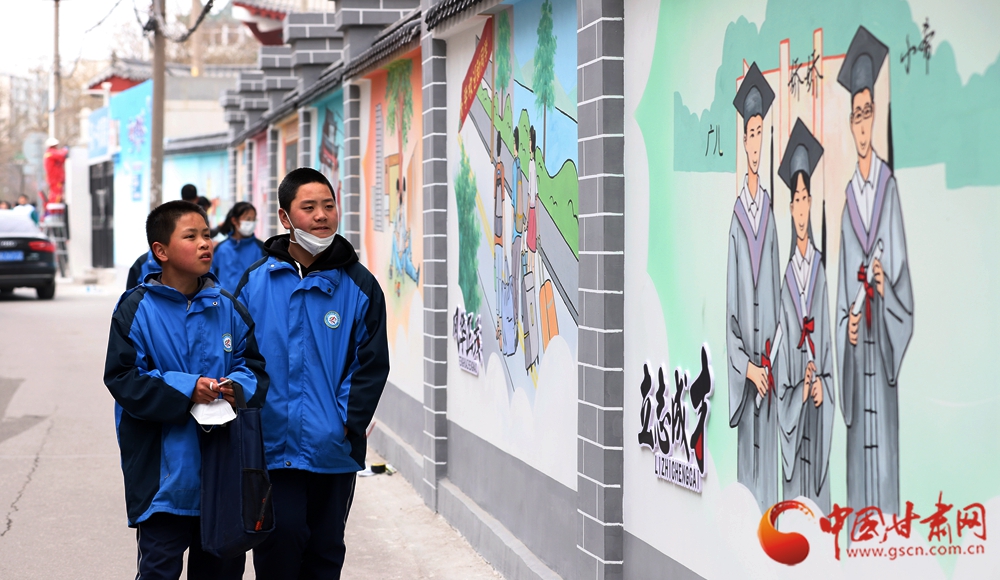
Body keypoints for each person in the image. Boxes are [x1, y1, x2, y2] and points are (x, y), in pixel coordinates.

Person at [235, 168, 389, 579]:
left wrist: (345, 422)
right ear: (285, 218)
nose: (322, 215)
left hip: (331, 445)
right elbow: (238, 357)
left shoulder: (359, 285)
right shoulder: (255, 282)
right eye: (309, 207)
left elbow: (370, 362)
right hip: (271, 444)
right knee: (279, 541)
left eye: (328, 205)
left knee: (325, 548)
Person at [104, 200, 268, 580]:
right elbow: (123, 378)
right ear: (160, 251)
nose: (205, 244)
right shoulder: (136, 309)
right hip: (164, 480)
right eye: (191, 237)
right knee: (158, 570)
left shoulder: (228, 306)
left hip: (224, 472)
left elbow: (254, 369)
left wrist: (235, 387)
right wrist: (187, 387)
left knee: (221, 570)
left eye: (207, 235)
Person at [835, 26, 913, 519]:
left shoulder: (889, 190)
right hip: (858, 351)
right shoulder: (847, 204)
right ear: (850, 124)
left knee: (882, 467)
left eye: (868, 113)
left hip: (880, 357)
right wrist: (847, 327)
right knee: (857, 478)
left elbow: (904, 287)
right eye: (856, 115)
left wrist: (886, 289)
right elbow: (841, 295)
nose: (863, 124)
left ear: (875, 116)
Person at [727, 62, 780, 514]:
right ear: (743, 141)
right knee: (748, 492)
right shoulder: (737, 219)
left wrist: (771, 364)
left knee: (771, 493)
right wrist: (748, 369)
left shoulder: (771, 215)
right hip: (748, 385)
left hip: (772, 374)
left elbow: (781, 304)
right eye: (751, 133)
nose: (757, 143)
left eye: (762, 132)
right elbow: (729, 314)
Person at [775, 119, 834, 514]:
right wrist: (798, 391)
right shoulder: (784, 284)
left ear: (811, 203)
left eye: (805, 198)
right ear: (790, 207)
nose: (800, 208)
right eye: (794, 200)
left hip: (817, 413)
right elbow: (782, 363)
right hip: (796, 414)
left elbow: (827, 347)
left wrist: (822, 388)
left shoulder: (820, 272)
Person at [212, 201, 265, 292]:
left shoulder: (261, 248)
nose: (251, 223)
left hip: (253, 300)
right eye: (248, 219)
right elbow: (210, 278)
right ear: (234, 220)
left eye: (253, 219)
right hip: (224, 300)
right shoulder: (221, 249)